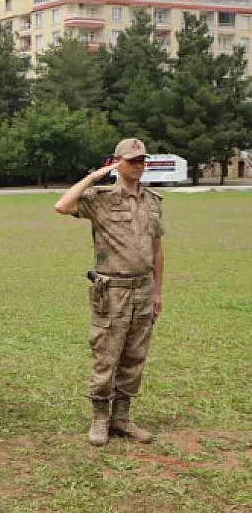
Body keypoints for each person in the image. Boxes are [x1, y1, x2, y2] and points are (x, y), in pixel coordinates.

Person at [54, 138, 164, 447]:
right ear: (117, 163)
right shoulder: (100, 199)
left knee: (134, 356)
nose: (140, 165)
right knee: (106, 355)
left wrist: (157, 292)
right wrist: (94, 176)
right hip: (112, 290)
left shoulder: (152, 201)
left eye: (143, 160)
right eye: (132, 160)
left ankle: (122, 418)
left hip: (143, 288)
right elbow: (62, 206)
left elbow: (157, 249)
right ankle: (100, 419)